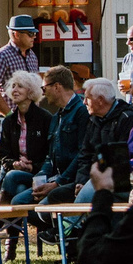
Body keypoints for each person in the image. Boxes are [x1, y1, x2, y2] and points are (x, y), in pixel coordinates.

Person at [26, 68, 87, 203]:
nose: (43, 93)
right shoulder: (56, 117)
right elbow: (50, 155)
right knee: (18, 195)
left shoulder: (82, 112)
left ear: (57, 87)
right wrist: (41, 177)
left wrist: (57, 183)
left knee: (41, 208)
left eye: (44, 88)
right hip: (55, 177)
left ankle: (56, 224)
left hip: (71, 180)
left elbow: (83, 154)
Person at [0, 68, 50, 204]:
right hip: (16, 173)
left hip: (38, 174)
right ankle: (8, 223)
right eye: (13, 86)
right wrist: (14, 163)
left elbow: (51, 152)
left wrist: (32, 166)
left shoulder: (45, 118)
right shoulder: (9, 121)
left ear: (31, 91)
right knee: (20, 188)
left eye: (20, 86)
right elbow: (3, 153)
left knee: (13, 178)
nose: (15, 90)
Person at [0, 15, 39, 117]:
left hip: (30, 118)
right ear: (16, 34)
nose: (34, 36)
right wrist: (9, 115)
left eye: (35, 33)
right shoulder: (1, 55)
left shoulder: (32, 56)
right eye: (30, 33)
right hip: (7, 118)